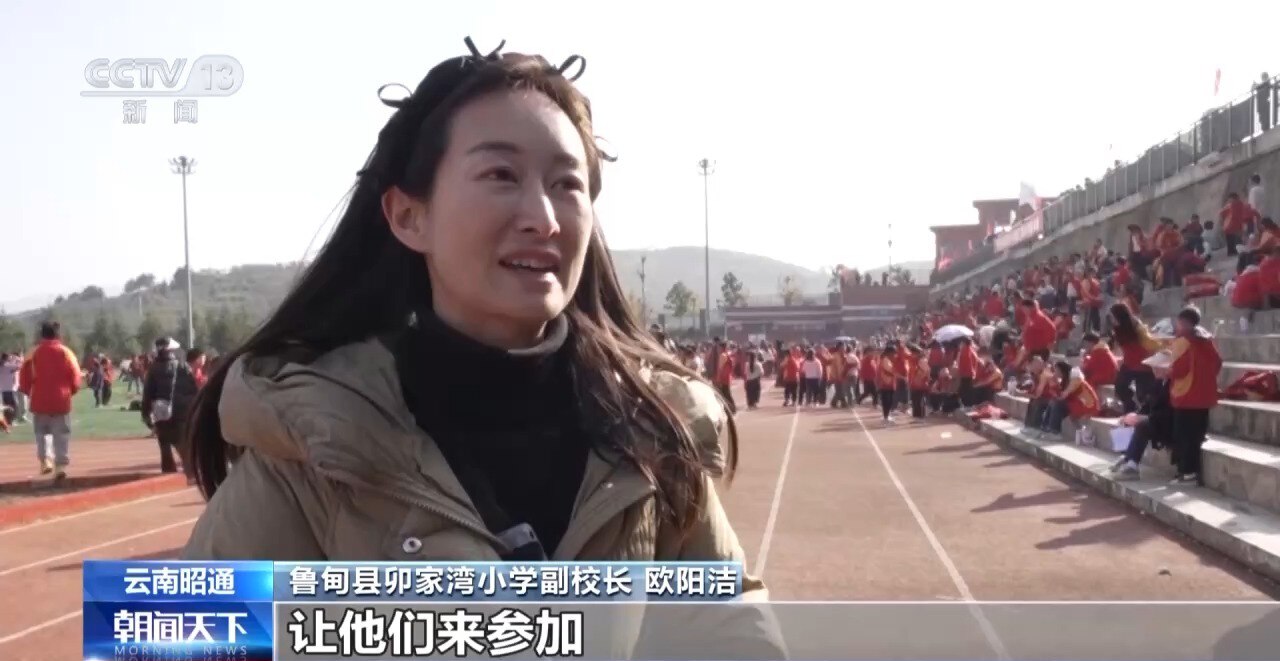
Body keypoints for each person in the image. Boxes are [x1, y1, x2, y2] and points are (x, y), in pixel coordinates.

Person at [176, 40, 782, 653]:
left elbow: (734, 634)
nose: (543, 217)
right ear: (409, 217)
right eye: (501, 175)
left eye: (566, 184)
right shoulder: (317, 444)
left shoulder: (649, 436)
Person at [18, 321, 81, 479]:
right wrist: (70, 391)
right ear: (58, 334)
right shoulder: (66, 352)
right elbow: (76, 376)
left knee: (42, 433)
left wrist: (27, 391)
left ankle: (45, 461)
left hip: (39, 400)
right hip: (61, 400)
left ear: (42, 334)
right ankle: (60, 466)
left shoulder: (33, 353)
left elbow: (24, 376)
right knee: (62, 434)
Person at [1167, 306, 1223, 485]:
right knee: (1197, 435)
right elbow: (1217, 362)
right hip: (1204, 395)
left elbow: (1178, 369)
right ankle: (1191, 472)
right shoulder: (1206, 339)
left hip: (1187, 396)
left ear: (1183, 322)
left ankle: (1187, 472)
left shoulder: (1183, 340)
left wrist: (1165, 371)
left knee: (1184, 435)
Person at [142, 337, 200, 482]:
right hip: (181, 411)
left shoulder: (153, 369)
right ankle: (192, 474)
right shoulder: (182, 365)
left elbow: (148, 393)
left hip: (161, 411)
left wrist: (145, 414)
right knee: (182, 444)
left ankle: (168, 476)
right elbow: (193, 389)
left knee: (164, 445)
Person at [1108, 354, 1173, 481]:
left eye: (1158, 367)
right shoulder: (1158, 383)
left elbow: (1170, 412)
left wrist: (1146, 417)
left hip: (1168, 423)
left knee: (1143, 425)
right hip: (1157, 420)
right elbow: (1148, 405)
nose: (1154, 370)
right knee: (1129, 421)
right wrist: (1136, 415)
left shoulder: (1172, 384)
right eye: (1154, 367)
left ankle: (1132, 465)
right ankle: (1127, 457)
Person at [1109, 303, 1162, 414]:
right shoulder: (1117, 329)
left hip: (1143, 365)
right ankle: (1130, 410)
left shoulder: (1137, 327)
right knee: (1120, 387)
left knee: (1143, 395)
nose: (1111, 319)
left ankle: (1145, 416)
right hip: (1128, 364)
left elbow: (1150, 344)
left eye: (1113, 316)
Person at [877, 344, 899, 424]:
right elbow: (891, 371)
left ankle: (887, 416)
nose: (895, 355)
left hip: (890, 383)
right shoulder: (885, 360)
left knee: (889, 401)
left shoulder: (888, 360)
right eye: (894, 353)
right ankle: (885, 417)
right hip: (886, 384)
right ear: (889, 353)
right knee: (887, 401)